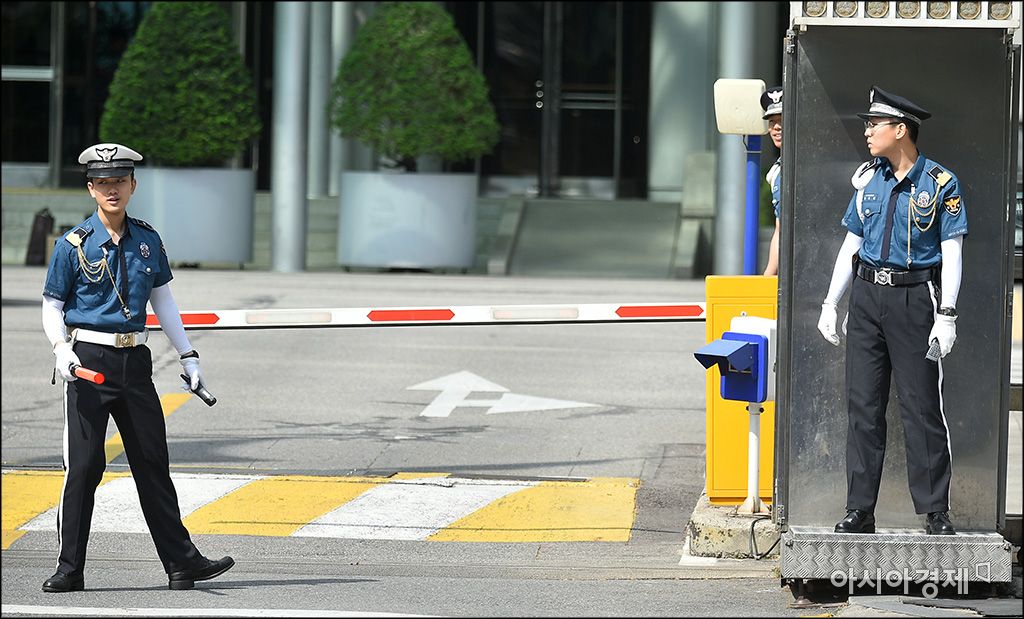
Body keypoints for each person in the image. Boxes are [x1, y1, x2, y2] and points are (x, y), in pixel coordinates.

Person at [40, 143, 234, 592]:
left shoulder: (147, 240)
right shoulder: (73, 245)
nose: (112, 190)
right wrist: (61, 349)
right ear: (91, 189)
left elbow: (163, 301)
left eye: (120, 182)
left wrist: (188, 355)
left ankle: (182, 564)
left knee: (152, 463)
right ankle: (70, 568)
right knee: (84, 468)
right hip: (88, 363)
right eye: (103, 183)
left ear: (133, 185)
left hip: (135, 362)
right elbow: (52, 304)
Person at [816, 87, 967, 536]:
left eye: (874, 124)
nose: (867, 132)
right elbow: (852, 243)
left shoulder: (939, 183)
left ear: (900, 130)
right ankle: (860, 509)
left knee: (922, 407)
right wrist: (831, 302)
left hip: (913, 298)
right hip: (867, 298)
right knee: (863, 406)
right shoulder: (869, 180)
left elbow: (952, 251)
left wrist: (947, 314)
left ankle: (935, 510)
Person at [761, 86, 783, 276]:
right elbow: (780, 228)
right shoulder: (776, 172)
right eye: (772, 121)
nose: (776, 127)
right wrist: (769, 274)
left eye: (782, 120)